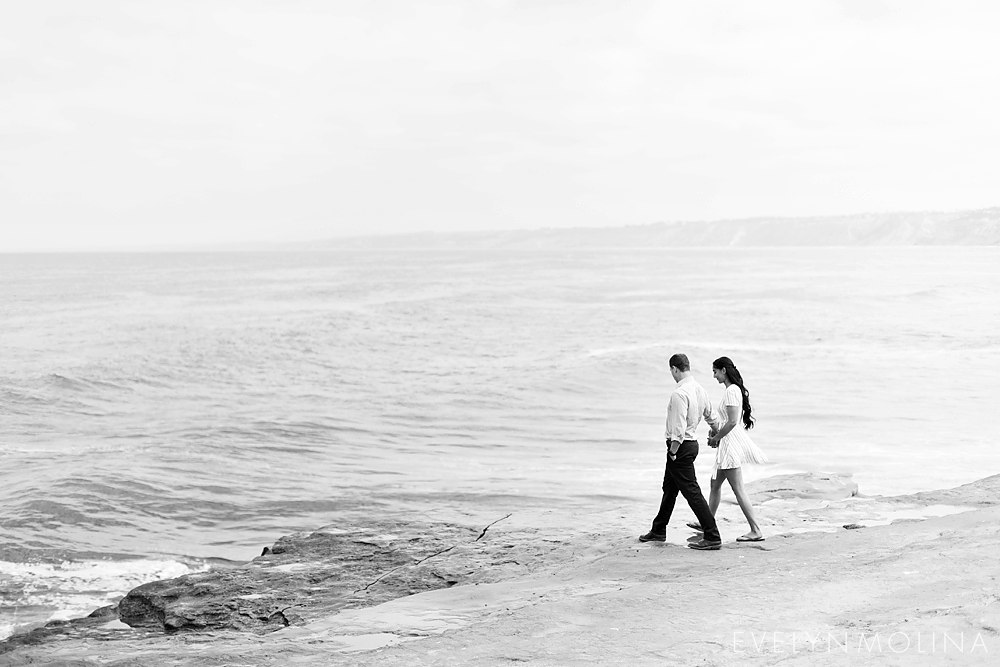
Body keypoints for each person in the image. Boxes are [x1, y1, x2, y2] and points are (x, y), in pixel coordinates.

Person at [639, 353, 724, 550]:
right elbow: (711, 417)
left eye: (671, 371)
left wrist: (673, 452)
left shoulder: (679, 393)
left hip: (680, 447)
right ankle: (658, 530)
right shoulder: (699, 390)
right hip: (691, 444)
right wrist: (716, 434)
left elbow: (678, 428)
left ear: (675, 369)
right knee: (669, 489)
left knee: (691, 492)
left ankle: (712, 535)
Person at [703, 356, 768, 542]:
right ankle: (707, 521)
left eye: (715, 371)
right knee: (714, 484)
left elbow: (732, 422)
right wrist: (715, 431)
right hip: (726, 445)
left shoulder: (731, 391)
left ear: (724, 370)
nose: (714, 376)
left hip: (730, 446)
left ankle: (756, 530)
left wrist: (716, 437)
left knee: (738, 489)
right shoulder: (732, 390)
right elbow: (727, 421)